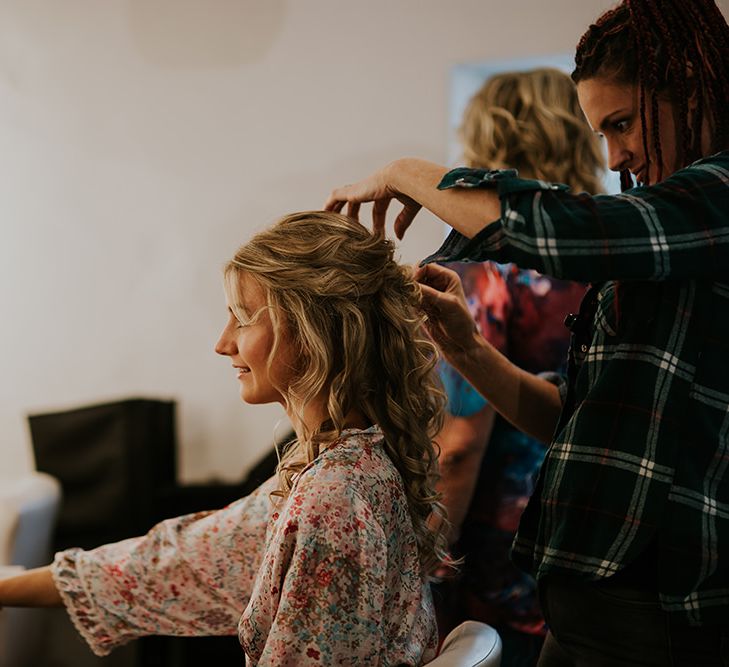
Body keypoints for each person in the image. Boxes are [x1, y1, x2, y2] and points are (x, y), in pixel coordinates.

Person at [325, 0, 729, 663]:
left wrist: (404, 171)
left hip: (656, 613)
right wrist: (465, 348)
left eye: (622, 123)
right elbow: (569, 420)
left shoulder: (712, 200)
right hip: (578, 603)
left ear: (686, 79)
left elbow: (570, 229)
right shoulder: (672, 236)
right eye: (600, 133)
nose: (618, 155)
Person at [0, 211, 448, 665]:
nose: (222, 343)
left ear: (315, 331)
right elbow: (177, 563)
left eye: (242, 319)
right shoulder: (339, 467)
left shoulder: (331, 498)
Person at [433, 68, 604, 667]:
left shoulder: (483, 269)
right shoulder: (612, 256)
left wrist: (427, 562)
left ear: (488, 145)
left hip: (494, 555)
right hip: (588, 538)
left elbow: (456, 444)